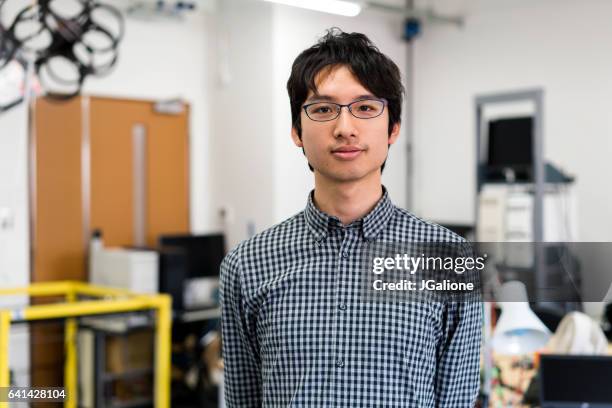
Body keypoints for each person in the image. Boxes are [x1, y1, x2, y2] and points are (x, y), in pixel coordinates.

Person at [220, 28, 482, 407]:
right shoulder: (247, 266)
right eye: (323, 109)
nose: (345, 128)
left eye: (365, 107)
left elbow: (455, 399)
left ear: (393, 128)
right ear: (296, 130)